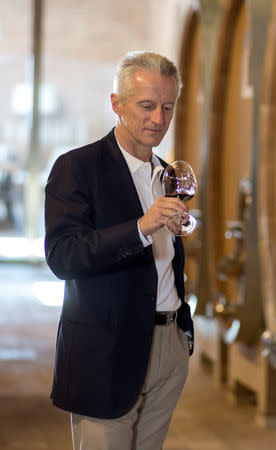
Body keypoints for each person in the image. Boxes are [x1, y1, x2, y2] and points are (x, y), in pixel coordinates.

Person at [44, 50, 194, 450]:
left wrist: (183, 336)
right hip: (105, 350)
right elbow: (63, 256)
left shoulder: (167, 173)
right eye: (146, 106)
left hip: (167, 345)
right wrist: (142, 227)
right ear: (116, 104)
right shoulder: (77, 168)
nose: (158, 119)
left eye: (167, 106)